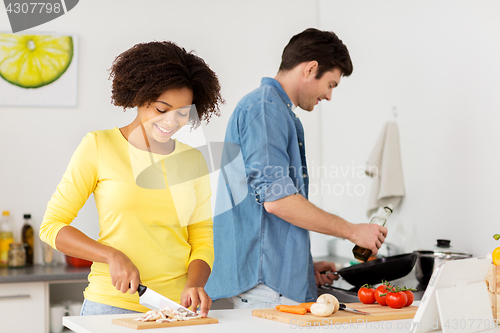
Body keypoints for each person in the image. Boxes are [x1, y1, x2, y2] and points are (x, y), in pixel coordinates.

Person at [205, 28, 388, 308]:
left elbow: (266, 217)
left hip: (267, 282)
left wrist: (301, 265)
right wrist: (352, 231)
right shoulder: (265, 109)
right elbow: (277, 201)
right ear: (311, 68)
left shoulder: (276, 111)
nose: (328, 96)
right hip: (260, 288)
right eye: (330, 85)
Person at [39, 41, 223, 316]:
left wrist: (195, 284)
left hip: (175, 310)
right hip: (110, 306)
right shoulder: (100, 146)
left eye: (183, 114)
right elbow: (52, 226)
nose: (172, 122)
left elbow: (201, 239)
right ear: (139, 96)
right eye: (162, 110)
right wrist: (111, 255)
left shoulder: (193, 161)